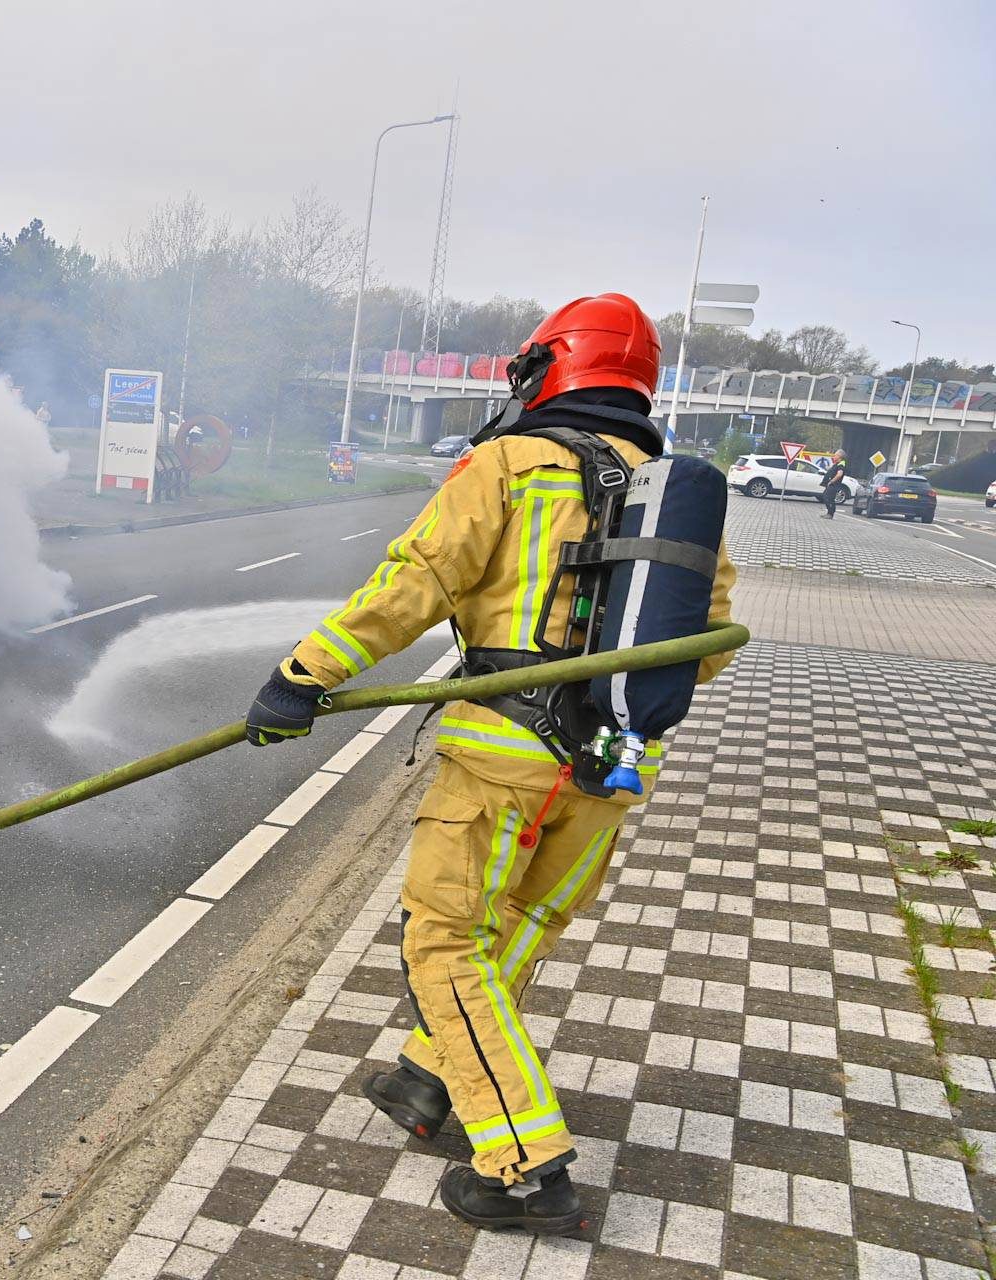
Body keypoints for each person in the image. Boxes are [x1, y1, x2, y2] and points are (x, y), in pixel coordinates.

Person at [243, 293, 736, 1235]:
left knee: (441, 943)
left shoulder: (510, 464)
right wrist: (604, 703)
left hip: (502, 758)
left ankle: (523, 1165)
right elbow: (707, 635)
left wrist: (305, 674)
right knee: (518, 925)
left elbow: (419, 578)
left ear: (550, 368)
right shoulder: (674, 489)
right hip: (610, 766)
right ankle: (431, 1077)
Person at [821, 450, 848, 517]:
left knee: (829, 498)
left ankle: (830, 513)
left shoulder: (841, 464)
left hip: (834, 485)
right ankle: (829, 513)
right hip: (832, 485)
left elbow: (839, 474)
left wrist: (831, 481)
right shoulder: (837, 463)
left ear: (839, 456)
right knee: (826, 497)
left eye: (835, 455)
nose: (834, 456)